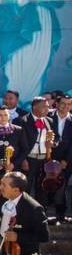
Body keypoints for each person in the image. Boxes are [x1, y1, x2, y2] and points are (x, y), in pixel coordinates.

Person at [0, 106, 29, 198]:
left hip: (12, 169)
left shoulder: (18, 130)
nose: (2, 117)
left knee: (11, 193)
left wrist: (13, 164)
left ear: (9, 116)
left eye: (5, 115)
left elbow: (25, 149)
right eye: (0, 115)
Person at [50, 94, 72, 223]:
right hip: (48, 159)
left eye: (69, 104)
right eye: (63, 103)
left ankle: (60, 214)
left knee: (61, 187)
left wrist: (66, 161)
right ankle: (44, 213)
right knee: (45, 185)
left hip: (66, 162)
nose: (66, 106)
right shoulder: (48, 118)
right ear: (57, 104)